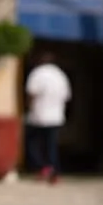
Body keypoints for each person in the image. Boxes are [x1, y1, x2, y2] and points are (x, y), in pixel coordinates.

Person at [25, 51, 71, 184]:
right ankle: (54, 172)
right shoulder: (60, 75)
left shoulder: (37, 74)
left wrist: (28, 108)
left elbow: (31, 94)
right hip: (56, 116)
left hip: (39, 115)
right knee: (51, 145)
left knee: (32, 144)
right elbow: (66, 97)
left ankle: (43, 168)